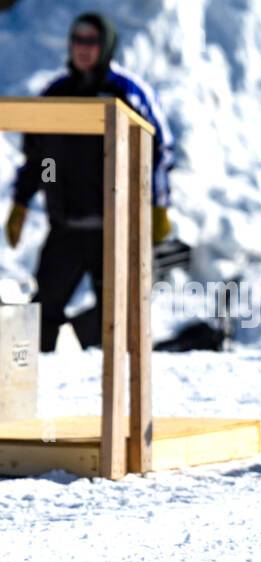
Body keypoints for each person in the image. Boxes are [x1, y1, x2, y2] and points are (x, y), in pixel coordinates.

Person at [5, 12, 175, 353]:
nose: (83, 48)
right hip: (65, 226)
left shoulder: (128, 92)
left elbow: (160, 149)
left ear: (106, 45)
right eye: (77, 40)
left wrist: (158, 206)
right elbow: (42, 158)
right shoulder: (55, 93)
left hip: (114, 228)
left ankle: (113, 387)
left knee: (118, 315)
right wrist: (24, 201)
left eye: (91, 41)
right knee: (43, 310)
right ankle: (45, 387)